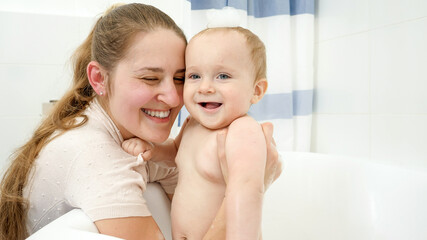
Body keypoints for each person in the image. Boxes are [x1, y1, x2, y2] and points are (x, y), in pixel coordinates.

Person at [0, 3, 281, 240]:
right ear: (99, 79)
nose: (173, 97)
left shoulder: (106, 130)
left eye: (181, 78)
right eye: (150, 78)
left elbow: (178, 172)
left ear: (257, 89)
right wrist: (258, 181)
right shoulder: (95, 156)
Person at [123, 27, 272, 239]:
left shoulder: (242, 131)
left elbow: (248, 192)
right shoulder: (193, 124)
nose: (205, 87)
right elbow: (176, 152)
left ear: (256, 91)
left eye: (222, 76)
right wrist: (153, 150)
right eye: (194, 75)